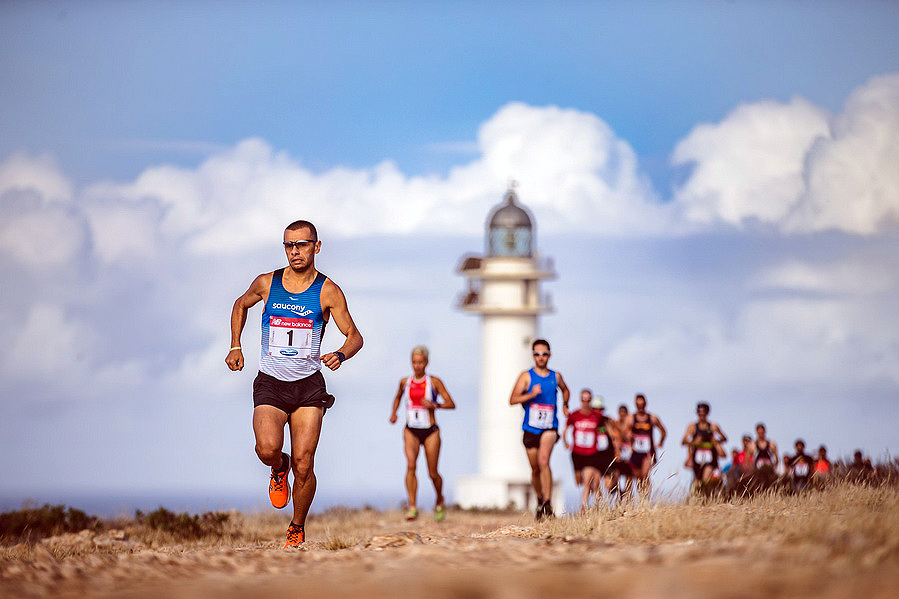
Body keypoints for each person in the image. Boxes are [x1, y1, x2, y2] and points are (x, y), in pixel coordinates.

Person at [226, 220, 363, 548]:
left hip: (308, 388)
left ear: (316, 247)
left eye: (301, 244)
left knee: (305, 462)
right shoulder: (266, 283)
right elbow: (240, 305)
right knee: (267, 449)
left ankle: (297, 526)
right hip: (271, 384)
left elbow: (355, 337)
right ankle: (278, 466)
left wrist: (341, 355)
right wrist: (235, 345)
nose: (295, 251)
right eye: (289, 245)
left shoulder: (328, 291)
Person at [389, 346, 455, 521]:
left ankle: (440, 499)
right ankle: (412, 506)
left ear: (426, 362)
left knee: (432, 472)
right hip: (411, 429)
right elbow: (397, 397)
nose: (417, 366)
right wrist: (394, 413)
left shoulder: (434, 382)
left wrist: (435, 404)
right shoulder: (405, 381)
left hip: (430, 431)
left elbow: (451, 403)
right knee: (411, 465)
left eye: (420, 362)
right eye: (414, 362)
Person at [509, 339, 571, 520]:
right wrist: (531, 394)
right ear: (533, 355)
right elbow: (512, 399)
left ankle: (548, 503)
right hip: (530, 428)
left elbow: (566, 390)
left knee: (544, 461)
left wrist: (565, 404)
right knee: (535, 469)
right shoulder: (526, 376)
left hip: (549, 428)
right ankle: (539, 499)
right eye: (537, 354)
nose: (541, 357)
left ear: (549, 355)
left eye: (544, 354)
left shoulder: (555, 376)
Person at [563, 389, 618, 511]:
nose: (586, 402)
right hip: (577, 453)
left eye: (588, 400)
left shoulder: (597, 416)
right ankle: (595, 502)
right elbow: (566, 429)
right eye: (584, 399)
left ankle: (585, 507)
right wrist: (565, 442)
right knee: (580, 481)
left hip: (592, 454)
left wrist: (613, 439)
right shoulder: (575, 415)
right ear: (580, 400)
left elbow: (608, 425)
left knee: (591, 480)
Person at [624, 394, 666, 497]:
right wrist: (628, 437)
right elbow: (623, 433)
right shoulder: (630, 419)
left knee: (645, 474)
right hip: (636, 452)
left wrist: (661, 441)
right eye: (638, 405)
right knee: (638, 477)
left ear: (646, 404)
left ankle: (646, 499)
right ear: (635, 405)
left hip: (648, 452)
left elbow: (663, 431)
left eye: (642, 404)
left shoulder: (652, 418)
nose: (641, 407)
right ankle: (642, 497)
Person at [681, 402, 727, 487]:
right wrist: (694, 442)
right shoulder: (692, 427)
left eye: (703, 414)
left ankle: (707, 496)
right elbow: (683, 442)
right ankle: (699, 499)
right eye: (699, 414)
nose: (701, 417)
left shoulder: (713, 426)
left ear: (707, 414)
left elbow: (724, 438)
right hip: (697, 459)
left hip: (710, 458)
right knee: (697, 483)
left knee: (706, 480)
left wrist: (716, 441)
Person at [747, 423, 779, 491]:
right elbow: (748, 459)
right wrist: (752, 469)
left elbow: (777, 458)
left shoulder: (771, 444)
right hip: (757, 471)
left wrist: (773, 467)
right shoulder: (752, 445)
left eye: (762, 432)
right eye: (759, 432)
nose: (761, 433)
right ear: (756, 432)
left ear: (765, 431)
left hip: (769, 470)